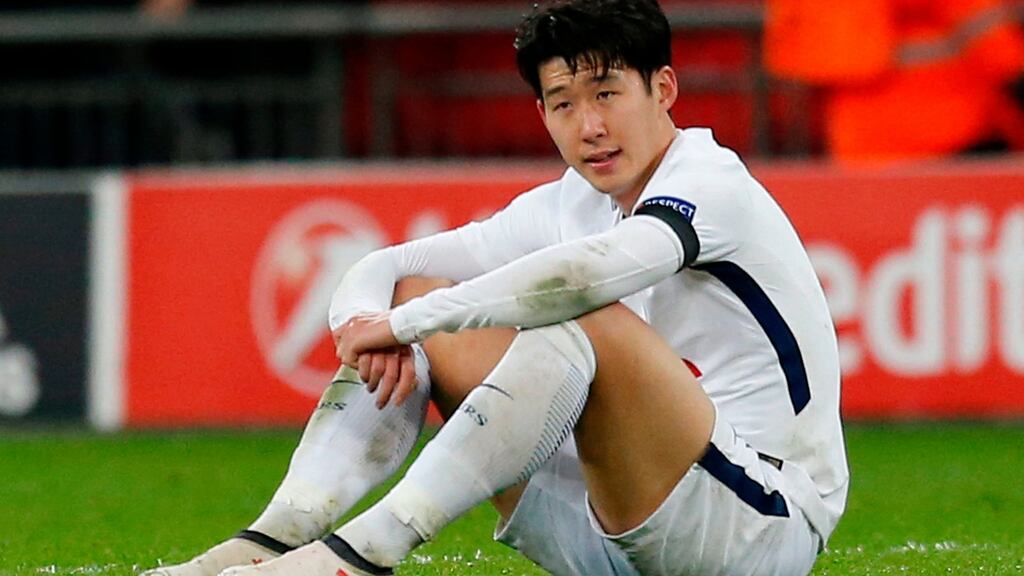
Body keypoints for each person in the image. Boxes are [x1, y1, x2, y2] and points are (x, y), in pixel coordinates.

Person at [142, 0, 848, 574]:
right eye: (564, 103)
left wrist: (411, 323)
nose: (591, 126)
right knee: (427, 292)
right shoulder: (568, 201)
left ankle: (362, 554)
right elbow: (387, 266)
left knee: (580, 317)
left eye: (608, 93)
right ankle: (273, 538)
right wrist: (378, 320)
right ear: (542, 114)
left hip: (758, 524)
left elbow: (581, 279)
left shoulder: (706, 181)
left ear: (663, 89)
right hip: (607, 532)